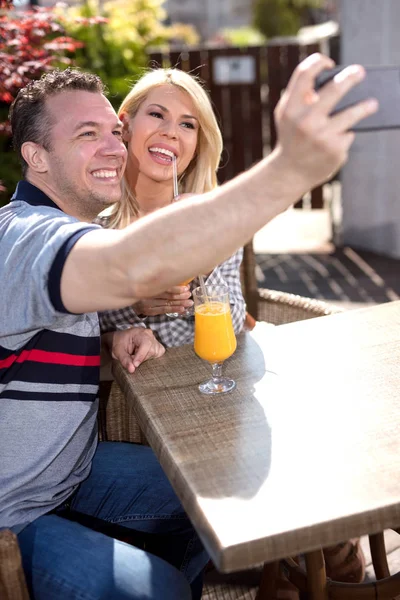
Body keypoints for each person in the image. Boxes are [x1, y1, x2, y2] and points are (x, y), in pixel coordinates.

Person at [0, 54, 377, 600]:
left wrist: (111, 338)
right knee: (160, 587)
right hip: (15, 511)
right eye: (88, 134)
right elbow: (126, 263)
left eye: (113, 131)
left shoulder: (66, 229)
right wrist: (289, 169)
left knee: (217, 492)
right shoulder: (24, 237)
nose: (112, 146)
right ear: (35, 156)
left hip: (74, 471)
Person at [96, 68, 246, 348]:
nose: (170, 133)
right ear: (125, 125)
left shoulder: (211, 219)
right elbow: (70, 324)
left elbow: (233, 326)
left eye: (187, 125)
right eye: (156, 115)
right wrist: (133, 304)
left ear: (198, 146)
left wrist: (204, 267)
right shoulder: (91, 221)